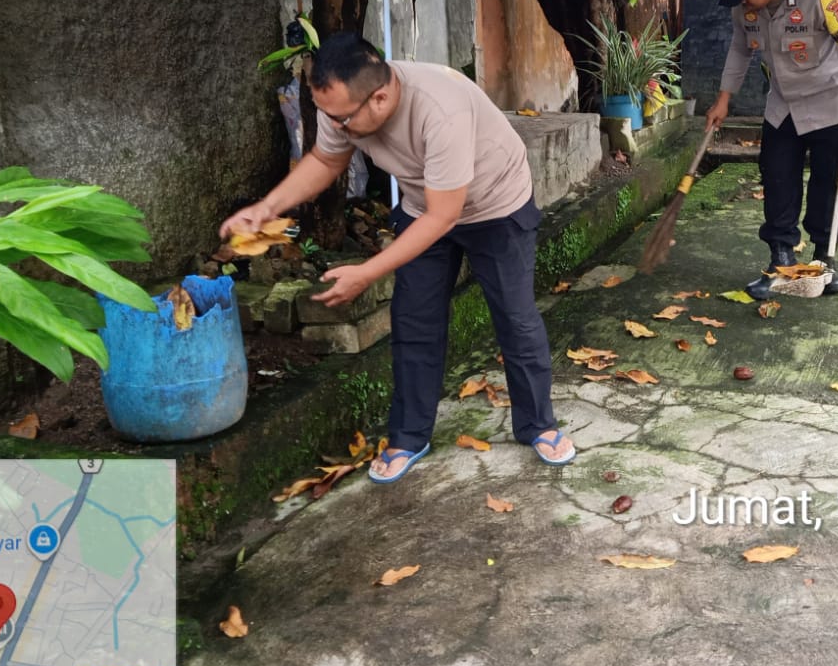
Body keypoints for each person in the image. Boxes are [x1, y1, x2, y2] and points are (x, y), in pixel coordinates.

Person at [220, 34, 574, 483]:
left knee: (515, 317)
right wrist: (267, 207)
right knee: (414, 320)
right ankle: (408, 436)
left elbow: (445, 215)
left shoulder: (440, 109)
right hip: (423, 204)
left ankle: (538, 424)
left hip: (495, 205)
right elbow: (326, 161)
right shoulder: (343, 106)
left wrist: (367, 272)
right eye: (328, 115)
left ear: (381, 98)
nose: (335, 126)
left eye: (341, 118)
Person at [704, 0, 838, 299]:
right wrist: (723, 99)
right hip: (783, 106)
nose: (742, 2)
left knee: (829, 182)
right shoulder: (745, 7)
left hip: (832, 104)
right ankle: (781, 260)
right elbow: (740, 48)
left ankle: (823, 260)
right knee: (777, 177)